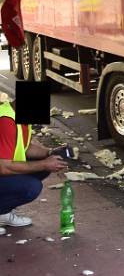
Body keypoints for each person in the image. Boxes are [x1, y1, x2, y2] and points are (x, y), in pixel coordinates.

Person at [0, 94, 69, 234]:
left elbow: (27, 147)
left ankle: (3, 213)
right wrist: (44, 164)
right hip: (2, 168)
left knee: (43, 168)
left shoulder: (18, 116)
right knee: (31, 187)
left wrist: (50, 153)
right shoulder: (6, 122)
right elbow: (3, 167)